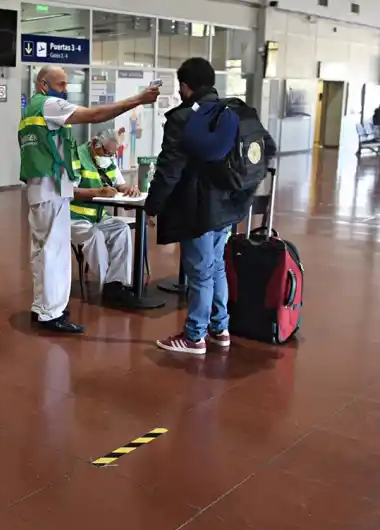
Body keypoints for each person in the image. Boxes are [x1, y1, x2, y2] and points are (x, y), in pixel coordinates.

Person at [145, 57, 276, 354]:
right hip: (230, 206)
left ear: (185, 86)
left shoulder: (182, 119)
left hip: (198, 209)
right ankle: (220, 328)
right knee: (216, 267)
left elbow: (169, 169)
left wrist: (153, 204)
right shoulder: (230, 111)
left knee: (201, 273)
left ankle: (194, 336)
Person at [19, 65, 158, 333]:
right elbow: (94, 115)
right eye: (60, 84)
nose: (65, 90)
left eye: (66, 84)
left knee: (42, 252)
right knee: (54, 253)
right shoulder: (48, 105)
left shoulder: (31, 111)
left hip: (40, 188)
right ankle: (52, 314)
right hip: (52, 189)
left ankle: (43, 307)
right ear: (42, 84)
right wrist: (138, 99)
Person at [70, 129, 139, 306]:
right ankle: (105, 283)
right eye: (107, 152)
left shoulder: (108, 159)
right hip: (75, 217)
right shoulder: (76, 156)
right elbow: (70, 191)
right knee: (96, 236)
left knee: (121, 229)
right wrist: (98, 192)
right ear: (95, 145)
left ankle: (116, 283)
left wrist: (129, 189)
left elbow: (119, 183)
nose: (110, 156)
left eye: (113, 153)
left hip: (99, 216)